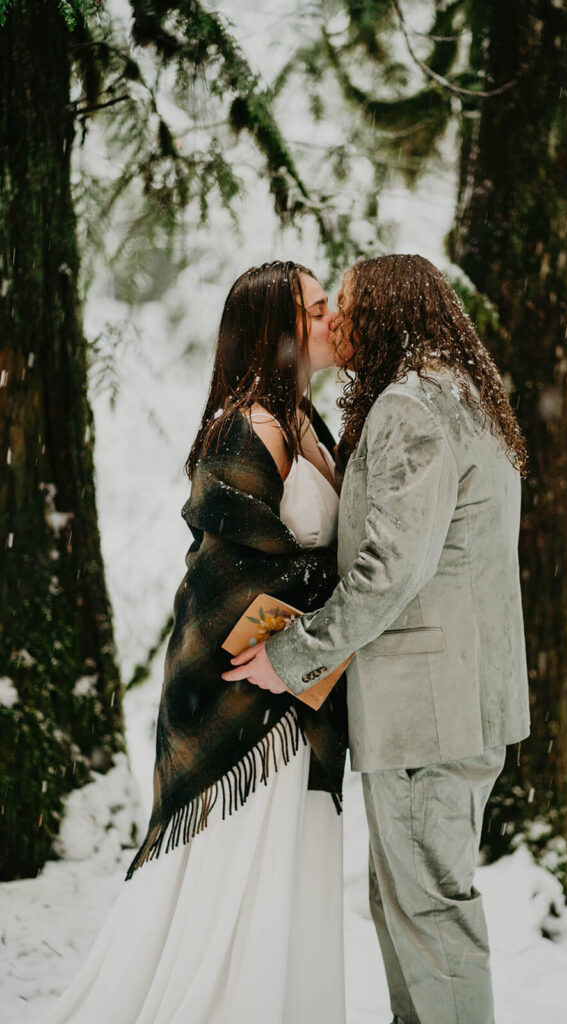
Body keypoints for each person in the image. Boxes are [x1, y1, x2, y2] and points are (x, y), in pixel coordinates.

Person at [225, 253, 531, 1024]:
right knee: (412, 904)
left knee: (426, 910)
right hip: (456, 699)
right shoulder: (461, 397)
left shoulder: (413, 408)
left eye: (346, 305)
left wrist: (293, 656)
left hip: (428, 708)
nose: (333, 321)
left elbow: (387, 571)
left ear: (388, 311)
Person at [46, 261, 348, 1024]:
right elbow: (228, 569)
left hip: (289, 685)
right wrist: (334, 599)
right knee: (234, 877)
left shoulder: (311, 424)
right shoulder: (246, 426)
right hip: (238, 690)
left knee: (279, 873)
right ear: (280, 331)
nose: (331, 319)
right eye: (316, 310)